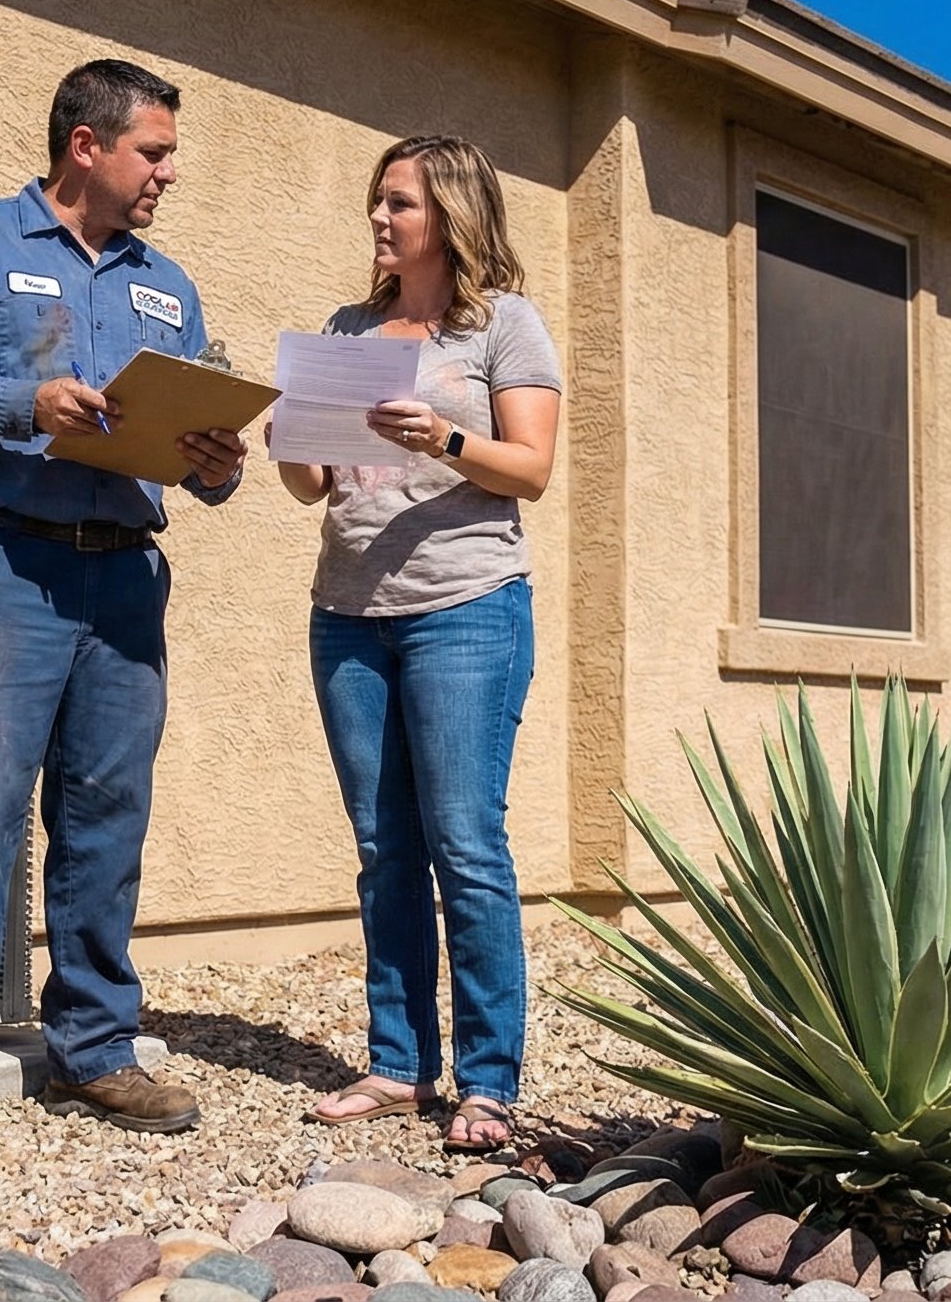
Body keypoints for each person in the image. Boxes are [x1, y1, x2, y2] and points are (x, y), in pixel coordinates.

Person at [0, 59, 247, 1164]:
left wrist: (215, 460)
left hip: (124, 574)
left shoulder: (165, 287)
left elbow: (203, 466)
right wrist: (19, 401)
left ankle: (93, 1047)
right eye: (154, 151)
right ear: (85, 145)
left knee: (104, 822)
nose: (168, 173)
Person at [279, 134, 561, 1153]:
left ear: (446, 214)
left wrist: (437, 436)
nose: (378, 219)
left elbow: (528, 471)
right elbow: (311, 485)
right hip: (347, 614)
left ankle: (486, 1081)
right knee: (381, 848)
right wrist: (289, 434)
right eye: (374, 202)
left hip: (465, 611)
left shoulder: (502, 328)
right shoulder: (345, 330)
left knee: (463, 844)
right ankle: (397, 1064)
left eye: (396, 203)